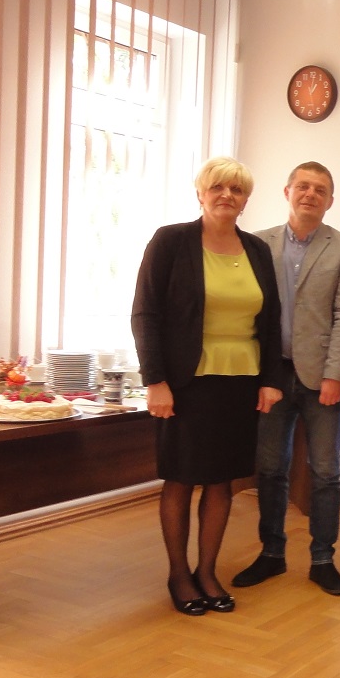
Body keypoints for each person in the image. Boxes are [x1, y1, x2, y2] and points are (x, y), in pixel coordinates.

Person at [132, 156, 283, 616]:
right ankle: (179, 573)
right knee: (181, 478)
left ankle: (208, 571)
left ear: (246, 200)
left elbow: (270, 320)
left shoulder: (256, 250)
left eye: (236, 190)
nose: (226, 196)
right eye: (217, 187)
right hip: (185, 383)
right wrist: (155, 380)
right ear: (200, 193)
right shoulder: (171, 241)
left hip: (240, 383)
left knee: (222, 480)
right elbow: (145, 313)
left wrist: (271, 380)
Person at [232, 162, 340, 596]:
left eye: (320, 189)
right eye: (303, 186)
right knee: (270, 469)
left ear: (330, 200)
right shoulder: (256, 243)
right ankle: (272, 553)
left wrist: (335, 373)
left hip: (321, 376)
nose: (310, 194)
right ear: (287, 191)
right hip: (271, 373)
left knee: (325, 472)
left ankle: (323, 559)